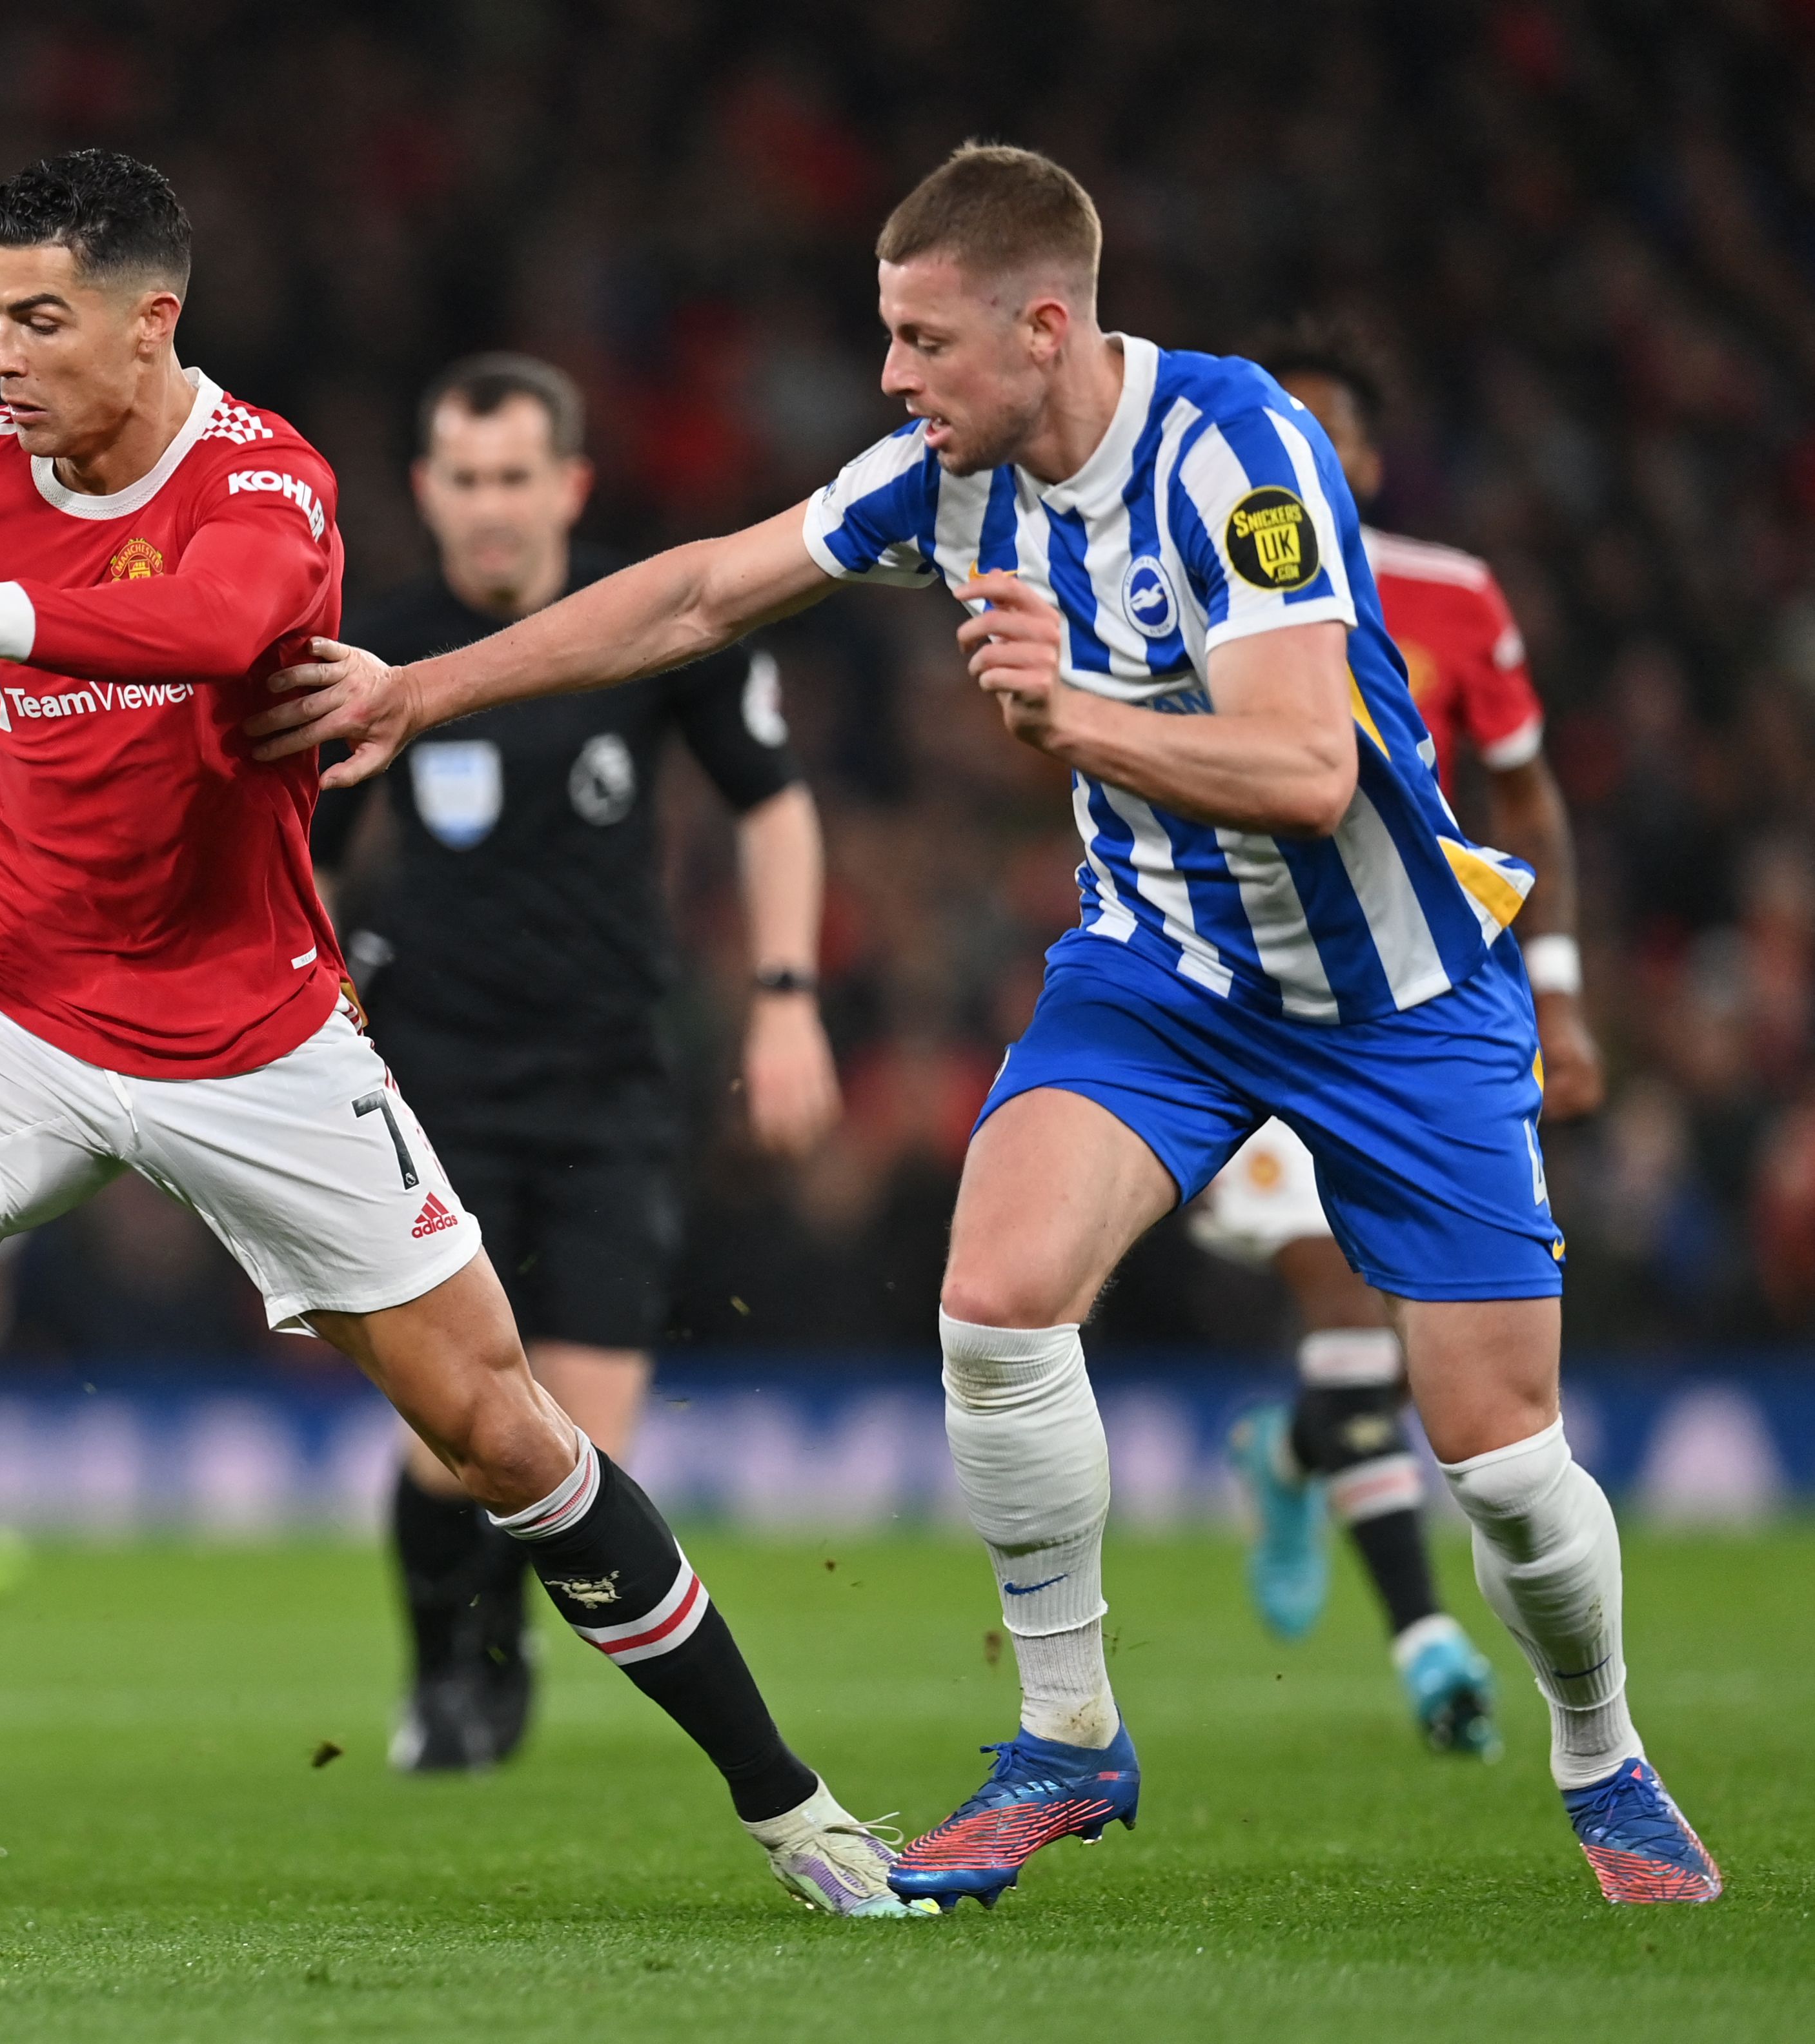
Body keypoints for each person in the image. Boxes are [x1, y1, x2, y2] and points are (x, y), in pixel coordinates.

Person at [252, 143, 1720, 1909]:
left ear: (1041, 328)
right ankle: (1064, 1737)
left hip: (1399, 997)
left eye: (917, 339)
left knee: (1496, 1454)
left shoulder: (1235, 453)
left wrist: (1071, 721)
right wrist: (425, 686)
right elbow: (701, 590)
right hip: (1162, 976)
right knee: (995, 1291)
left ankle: (1597, 1746)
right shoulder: (946, 475)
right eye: (884, 338)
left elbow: (1307, 766)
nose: (887, 375)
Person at [0, 148, 928, 1923]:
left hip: (251, 1030)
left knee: (502, 1437)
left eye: (40, 319)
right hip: (26, 999)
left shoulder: (267, 479)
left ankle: (788, 1800)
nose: (3, 356)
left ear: (150, 323)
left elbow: (208, 628)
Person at [312, 353, 841, 1772]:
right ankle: (449, 1669)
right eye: (463, 481)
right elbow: (294, 859)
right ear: (426, 491)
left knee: (577, 1435)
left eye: (514, 479)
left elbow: (773, 805)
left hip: (611, 1080)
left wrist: (785, 997)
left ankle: (491, 1656)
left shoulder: (647, 623)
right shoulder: (378, 648)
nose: (490, 509)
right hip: (428, 1084)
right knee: (452, 1437)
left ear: (568, 484)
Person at [1191, 318, 1610, 1759]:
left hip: (1410, 1005)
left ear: (1362, 456)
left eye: (1324, 431)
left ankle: (1295, 1449)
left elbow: (1525, 799)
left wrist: (1554, 988)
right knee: (1335, 1297)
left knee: (1399, 1355)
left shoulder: (1448, 596)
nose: (1294, 454)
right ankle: (1427, 1641)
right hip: (1241, 1000)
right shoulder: (1187, 582)